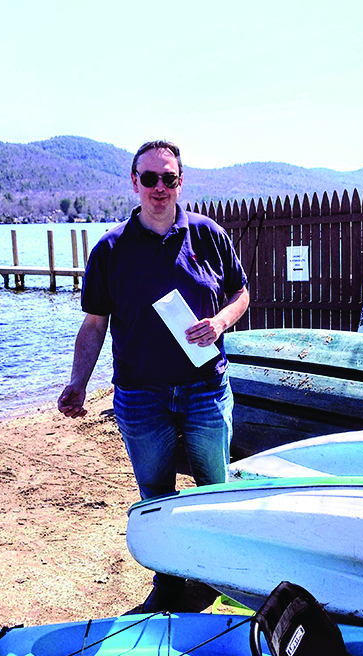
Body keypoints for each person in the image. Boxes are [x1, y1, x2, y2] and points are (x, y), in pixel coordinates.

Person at [57, 140, 250, 613]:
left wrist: (220, 322)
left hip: (206, 388)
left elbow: (241, 293)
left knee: (214, 488)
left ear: (181, 182)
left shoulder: (209, 235)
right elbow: (95, 324)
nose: (159, 187)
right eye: (149, 178)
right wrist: (78, 382)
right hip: (141, 396)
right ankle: (169, 581)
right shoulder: (110, 250)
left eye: (168, 178)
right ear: (134, 182)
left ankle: (217, 573)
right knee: (156, 494)